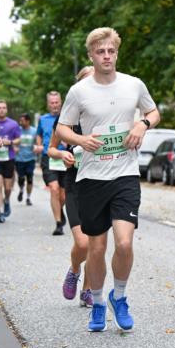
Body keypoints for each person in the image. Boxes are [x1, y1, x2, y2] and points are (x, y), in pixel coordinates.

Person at [56, 27, 159, 332]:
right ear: (91, 55)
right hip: (90, 178)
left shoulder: (133, 85)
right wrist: (80, 139)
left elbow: (154, 112)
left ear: (117, 52)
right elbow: (62, 128)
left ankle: (120, 296)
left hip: (125, 174)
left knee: (125, 243)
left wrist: (142, 124)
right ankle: (98, 303)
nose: (106, 56)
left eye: (111, 51)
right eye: (100, 52)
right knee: (97, 248)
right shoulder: (79, 92)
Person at [50, 67, 100, 309]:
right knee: (82, 244)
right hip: (74, 185)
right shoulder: (68, 118)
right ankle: (73, 270)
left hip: (100, 184)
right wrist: (62, 154)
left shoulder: (106, 116)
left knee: (95, 243)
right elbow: (51, 148)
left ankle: (88, 290)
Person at [36, 91, 67, 235]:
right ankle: (58, 223)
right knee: (54, 188)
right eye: (52, 103)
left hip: (65, 157)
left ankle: (60, 210)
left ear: (60, 102)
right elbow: (39, 135)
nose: (54, 105)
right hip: (48, 157)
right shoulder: (43, 119)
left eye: (56, 102)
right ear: (48, 104)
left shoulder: (67, 117)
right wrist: (39, 146)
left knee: (63, 195)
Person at [0, 100, 21, 223]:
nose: (1, 110)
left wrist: (10, 142)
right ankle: (1, 212)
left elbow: (19, 139)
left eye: (4, 107)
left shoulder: (13, 124)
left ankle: (7, 200)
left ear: (6, 109)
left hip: (8, 158)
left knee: (7, 188)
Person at [14, 113, 36, 206]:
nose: (20, 122)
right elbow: (13, 140)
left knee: (30, 179)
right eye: (20, 120)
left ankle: (28, 197)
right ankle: (21, 189)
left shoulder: (34, 131)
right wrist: (14, 147)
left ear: (28, 121)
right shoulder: (17, 130)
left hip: (31, 158)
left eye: (22, 121)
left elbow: (38, 141)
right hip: (19, 158)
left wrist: (36, 146)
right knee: (21, 178)